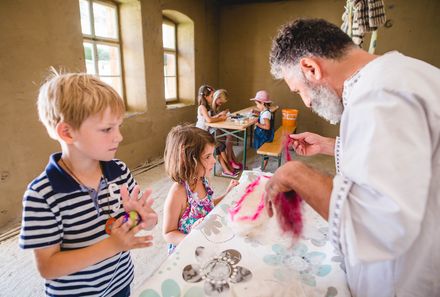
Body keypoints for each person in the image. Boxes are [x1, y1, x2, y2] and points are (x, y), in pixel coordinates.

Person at [265, 18, 440, 297]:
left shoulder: (379, 97)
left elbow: (379, 224)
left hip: (404, 281)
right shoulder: (401, 74)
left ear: (310, 68)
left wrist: (296, 174)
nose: (307, 102)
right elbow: (402, 162)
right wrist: (331, 145)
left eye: (299, 91)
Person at [19, 72, 158, 297]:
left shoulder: (119, 171)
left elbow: (141, 222)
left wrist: (146, 218)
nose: (119, 137)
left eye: (118, 126)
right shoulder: (42, 195)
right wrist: (112, 246)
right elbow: (48, 267)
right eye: (107, 129)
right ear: (67, 132)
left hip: (120, 283)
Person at [162, 124, 239, 254]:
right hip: (188, 250)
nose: (214, 161)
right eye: (207, 156)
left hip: (207, 242)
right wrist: (194, 240)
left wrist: (227, 194)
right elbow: (169, 233)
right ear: (188, 160)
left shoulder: (202, 179)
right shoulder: (178, 192)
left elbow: (207, 206)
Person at [195, 85, 238, 178]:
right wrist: (221, 118)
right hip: (200, 134)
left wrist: (219, 116)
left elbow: (209, 118)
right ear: (205, 97)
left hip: (206, 132)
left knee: (219, 147)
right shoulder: (202, 107)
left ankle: (227, 168)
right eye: (211, 96)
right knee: (220, 146)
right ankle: (227, 167)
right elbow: (209, 120)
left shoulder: (206, 107)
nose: (212, 98)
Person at [212, 89, 243, 171]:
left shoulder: (216, 106)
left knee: (230, 134)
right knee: (227, 137)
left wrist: (223, 114)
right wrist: (221, 115)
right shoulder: (211, 107)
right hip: (211, 129)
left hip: (216, 127)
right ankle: (230, 161)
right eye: (220, 102)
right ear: (217, 97)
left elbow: (218, 119)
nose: (221, 104)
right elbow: (211, 120)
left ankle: (232, 160)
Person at [251, 90, 275, 170]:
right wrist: (256, 112)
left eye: (257, 104)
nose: (257, 106)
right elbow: (262, 115)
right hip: (262, 135)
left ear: (262, 103)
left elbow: (267, 127)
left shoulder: (266, 114)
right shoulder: (265, 111)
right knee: (262, 152)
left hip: (264, 136)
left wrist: (257, 124)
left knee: (263, 152)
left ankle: (262, 168)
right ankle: (262, 166)